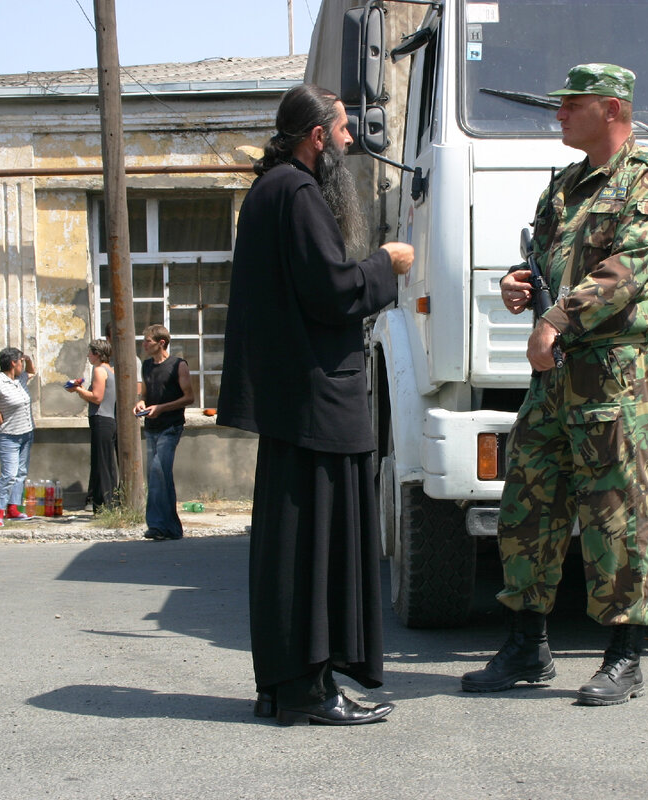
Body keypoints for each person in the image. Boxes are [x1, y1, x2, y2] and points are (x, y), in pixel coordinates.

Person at [460, 64, 648, 706]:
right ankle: (526, 645)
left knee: (616, 514)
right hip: (554, 377)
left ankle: (623, 656)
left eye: (571, 105)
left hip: (612, 371)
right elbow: (543, 257)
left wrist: (553, 321)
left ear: (611, 109)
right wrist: (516, 280)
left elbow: (628, 269)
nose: (557, 114)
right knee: (527, 504)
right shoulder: (564, 185)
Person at [217, 84, 414, 726]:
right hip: (316, 402)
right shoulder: (298, 193)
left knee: (293, 546)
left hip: (295, 401)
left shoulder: (269, 191)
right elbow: (331, 291)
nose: (353, 140)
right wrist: (386, 264)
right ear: (317, 136)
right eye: (343, 129)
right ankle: (309, 690)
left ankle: (291, 686)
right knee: (317, 547)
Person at [133, 324, 194, 540]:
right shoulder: (147, 366)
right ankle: (172, 528)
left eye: (147, 341)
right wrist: (140, 404)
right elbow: (144, 394)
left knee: (159, 471)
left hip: (171, 426)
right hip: (151, 427)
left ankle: (158, 526)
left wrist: (162, 408)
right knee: (158, 476)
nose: (144, 344)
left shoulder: (178, 365)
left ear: (161, 343)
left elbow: (189, 398)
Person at [0, 347, 36, 528]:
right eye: (21, 362)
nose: (23, 365)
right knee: (9, 475)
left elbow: (32, 372)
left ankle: (13, 508)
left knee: (21, 473)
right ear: (13, 363)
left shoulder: (20, 380)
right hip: (8, 436)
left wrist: (28, 359)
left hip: (26, 433)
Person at [66, 338, 118, 513]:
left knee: (101, 462)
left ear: (96, 354)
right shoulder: (111, 370)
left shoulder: (99, 371)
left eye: (90, 352)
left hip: (101, 418)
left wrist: (77, 389)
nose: (88, 355)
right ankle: (109, 500)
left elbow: (97, 397)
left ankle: (104, 504)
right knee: (107, 462)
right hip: (110, 419)